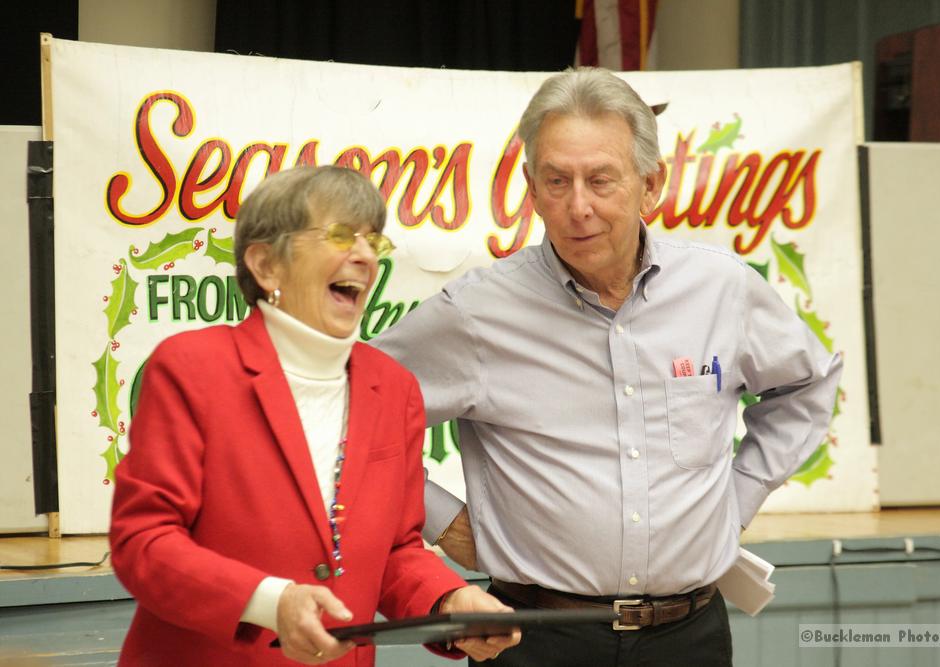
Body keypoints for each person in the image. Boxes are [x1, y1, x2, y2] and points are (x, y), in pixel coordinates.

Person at [371, 67, 843, 666]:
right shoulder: (476, 314)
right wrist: (441, 519)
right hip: (538, 639)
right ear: (531, 188)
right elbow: (349, 411)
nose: (579, 207)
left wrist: (738, 499)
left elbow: (808, 384)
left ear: (651, 186)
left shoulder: (722, 290)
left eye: (600, 180)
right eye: (556, 181)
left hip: (691, 636)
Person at [110, 166, 520, 666]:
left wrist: (449, 602)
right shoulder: (193, 369)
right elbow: (144, 542)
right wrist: (268, 602)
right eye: (342, 235)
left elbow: (394, 551)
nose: (365, 255)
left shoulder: (395, 390)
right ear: (265, 265)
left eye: (374, 241)